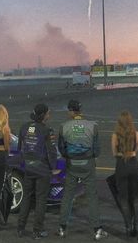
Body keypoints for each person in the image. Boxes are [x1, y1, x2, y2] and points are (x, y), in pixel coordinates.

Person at [57, 99, 108, 241]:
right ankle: (97, 229)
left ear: (70, 111)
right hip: (88, 163)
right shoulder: (93, 126)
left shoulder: (63, 126)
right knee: (92, 196)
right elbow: (97, 150)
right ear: (80, 110)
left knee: (68, 195)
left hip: (72, 164)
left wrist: (69, 156)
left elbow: (61, 148)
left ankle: (62, 227)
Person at [17, 103, 57, 240]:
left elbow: (19, 148)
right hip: (42, 170)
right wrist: (53, 167)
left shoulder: (24, 127)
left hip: (29, 168)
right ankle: (37, 230)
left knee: (27, 197)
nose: (49, 114)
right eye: (48, 112)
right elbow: (52, 152)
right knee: (40, 200)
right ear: (44, 115)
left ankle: (20, 228)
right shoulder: (47, 130)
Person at [111, 111, 138, 239]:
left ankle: (128, 227)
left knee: (123, 199)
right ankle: (137, 226)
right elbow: (136, 149)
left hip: (121, 165)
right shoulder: (136, 133)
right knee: (134, 198)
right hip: (134, 165)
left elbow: (114, 153)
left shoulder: (115, 135)